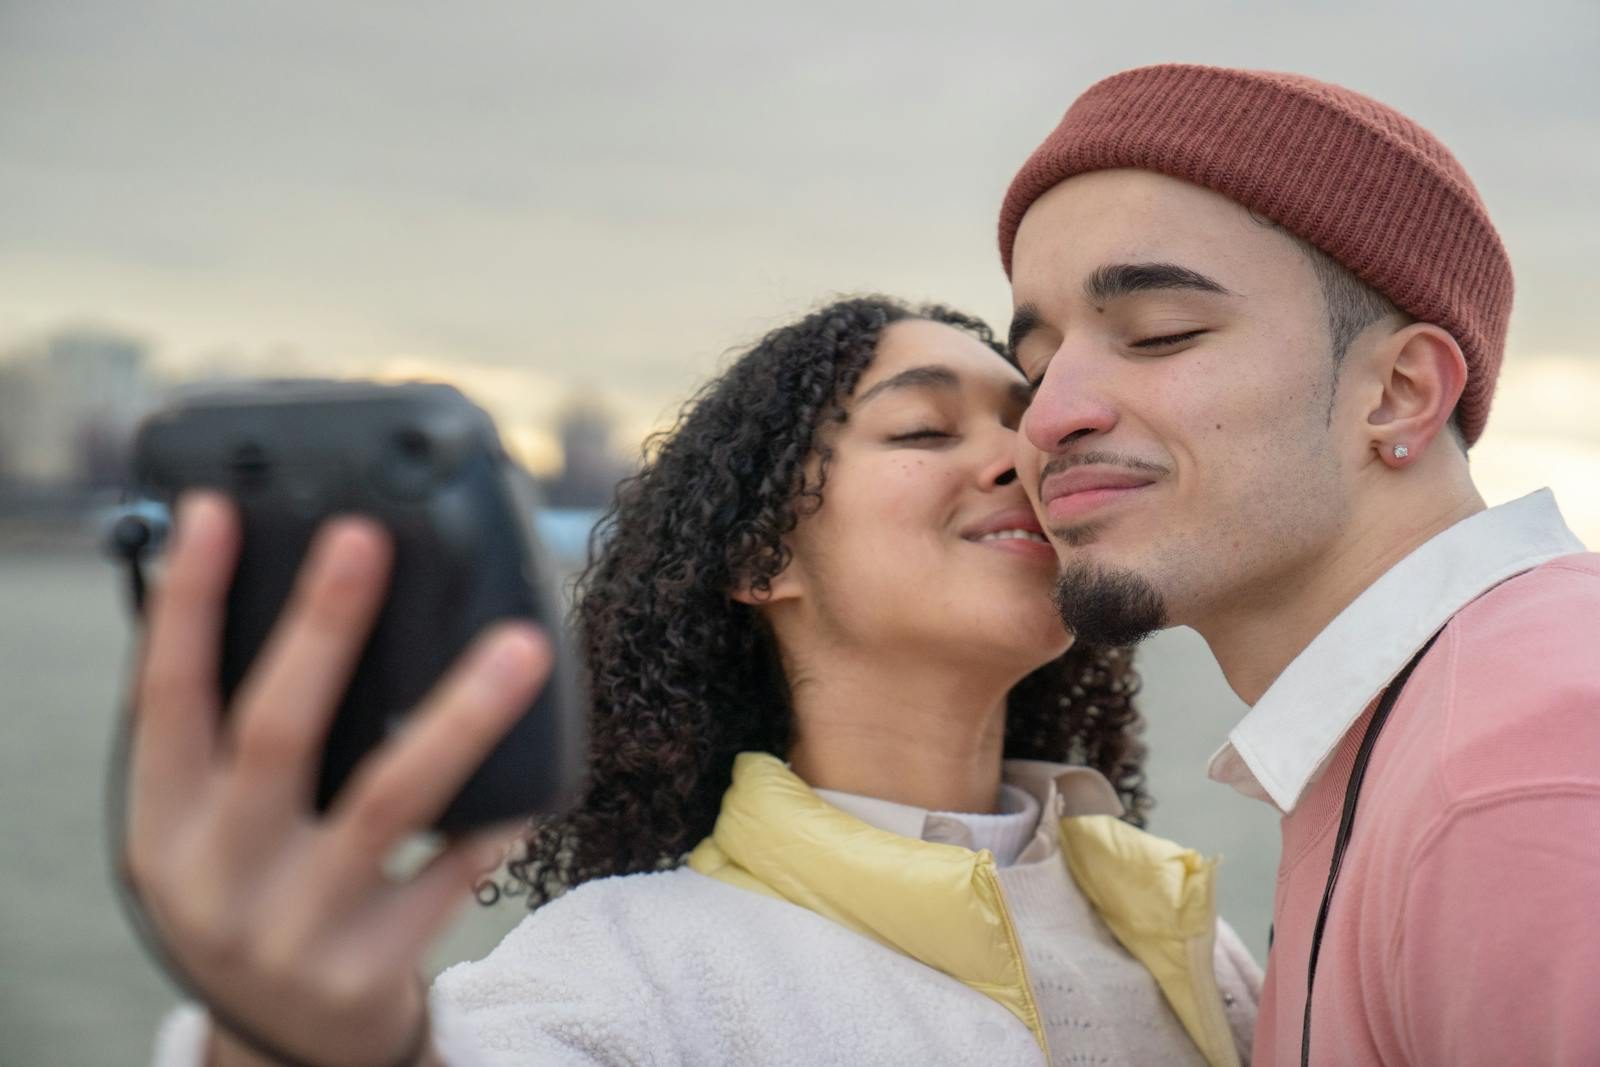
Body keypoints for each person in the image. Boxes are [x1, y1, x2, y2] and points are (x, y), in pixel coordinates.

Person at [132, 296, 1260, 1067]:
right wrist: (298, 1041)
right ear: (757, 558)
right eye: (921, 428)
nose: (1023, 459)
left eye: (1029, 426)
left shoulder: (1183, 931)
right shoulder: (626, 970)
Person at [999, 64, 1600, 1065]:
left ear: (1399, 391)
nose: (1050, 415)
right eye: (1035, 365)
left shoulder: (1517, 770)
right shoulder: (1424, 732)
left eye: (1158, 334)